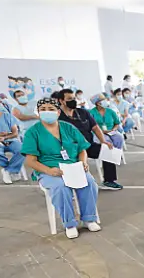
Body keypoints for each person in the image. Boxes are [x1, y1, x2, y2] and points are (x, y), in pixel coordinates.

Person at [20, 96, 101, 239]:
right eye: (43, 109)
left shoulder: (68, 127)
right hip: (48, 170)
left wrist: (83, 162)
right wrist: (49, 171)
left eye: (51, 109)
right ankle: (70, 224)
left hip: (73, 167)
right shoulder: (33, 132)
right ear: (38, 113)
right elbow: (30, 161)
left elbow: (82, 149)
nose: (47, 112)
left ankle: (89, 218)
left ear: (58, 112)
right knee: (61, 187)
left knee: (89, 183)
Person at [56, 89, 116, 190]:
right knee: (71, 163)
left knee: (108, 151)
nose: (73, 101)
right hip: (70, 149)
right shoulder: (57, 116)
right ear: (61, 101)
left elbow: (95, 128)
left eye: (74, 98)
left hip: (88, 145)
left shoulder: (83, 112)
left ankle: (109, 181)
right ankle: (73, 186)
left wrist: (103, 141)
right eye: (69, 99)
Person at [88, 95, 126, 190]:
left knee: (119, 138)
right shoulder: (91, 113)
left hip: (111, 131)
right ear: (97, 103)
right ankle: (109, 177)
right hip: (99, 134)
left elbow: (117, 123)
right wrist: (101, 132)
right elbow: (91, 128)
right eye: (102, 100)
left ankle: (116, 156)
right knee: (107, 144)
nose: (105, 101)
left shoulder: (110, 111)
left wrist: (113, 129)